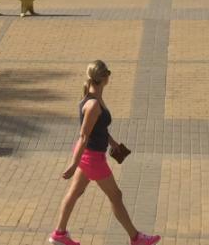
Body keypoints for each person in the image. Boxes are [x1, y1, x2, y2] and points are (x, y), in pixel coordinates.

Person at [49, 61, 160, 245]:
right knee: (116, 196)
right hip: (92, 158)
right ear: (104, 78)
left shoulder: (94, 97)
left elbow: (98, 129)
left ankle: (59, 234)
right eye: (108, 74)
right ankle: (136, 238)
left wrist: (113, 143)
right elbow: (84, 136)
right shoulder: (93, 104)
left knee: (74, 192)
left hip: (90, 156)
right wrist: (73, 165)